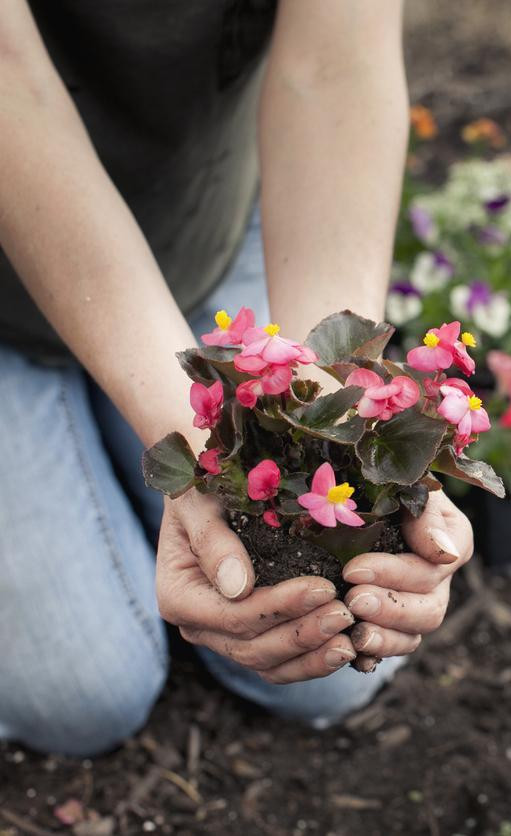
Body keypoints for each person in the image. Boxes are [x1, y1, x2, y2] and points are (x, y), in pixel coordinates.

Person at [0, 1, 474, 757]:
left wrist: (339, 411)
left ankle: (111, 420)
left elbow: (334, 67)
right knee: (84, 697)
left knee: (332, 651)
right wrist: (192, 448)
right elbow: (10, 83)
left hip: (194, 219)